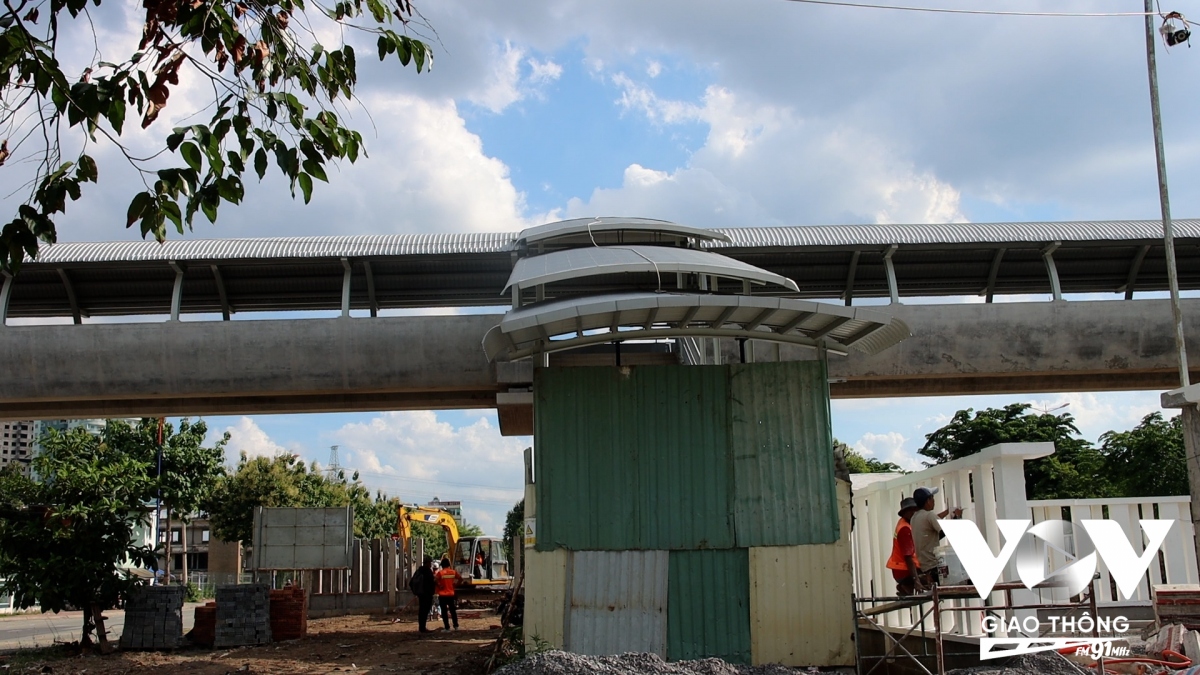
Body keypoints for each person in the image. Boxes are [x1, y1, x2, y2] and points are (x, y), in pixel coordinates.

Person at [909, 487, 963, 587]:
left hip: (925, 566)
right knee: (966, 577)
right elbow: (945, 531)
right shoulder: (929, 515)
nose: (934, 501)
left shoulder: (915, 517)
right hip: (935, 565)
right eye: (932, 498)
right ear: (927, 501)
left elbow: (931, 535)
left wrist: (947, 512)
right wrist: (957, 517)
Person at [887, 497, 925, 597]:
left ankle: (906, 586)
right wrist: (916, 580)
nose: (914, 513)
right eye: (912, 511)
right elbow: (908, 557)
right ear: (906, 513)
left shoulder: (907, 523)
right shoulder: (905, 529)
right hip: (904, 570)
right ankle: (907, 584)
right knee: (932, 578)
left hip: (901, 570)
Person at [408, 555, 436, 633]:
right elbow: (431, 583)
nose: (431, 564)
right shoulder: (428, 572)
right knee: (425, 611)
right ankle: (423, 628)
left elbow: (411, 582)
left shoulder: (419, 571)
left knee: (421, 611)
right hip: (427, 595)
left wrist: (417, 592)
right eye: (430, 562)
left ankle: (421, 627)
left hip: (421, 595)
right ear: (428, 563)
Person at [435, 557, 461, 631]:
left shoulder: (440, 573)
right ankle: (456, 626)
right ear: (449, 564)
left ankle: (447, 628)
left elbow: (435, 580)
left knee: (444, 612)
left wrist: (440, 585)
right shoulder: (453, 572)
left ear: (442, 565)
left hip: (443, 595)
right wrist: (455, 585)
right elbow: (460, 579)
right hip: (451, 594)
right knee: (453, 611)